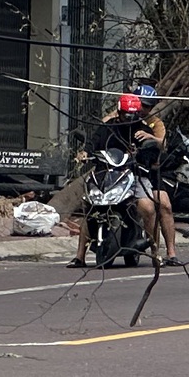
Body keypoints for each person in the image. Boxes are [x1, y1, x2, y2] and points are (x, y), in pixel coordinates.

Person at [74, 92, 166, 267]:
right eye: (126, 114)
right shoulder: (107, 127)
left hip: (134, 175)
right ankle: (80, 256)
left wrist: (149, 145)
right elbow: (92, 143)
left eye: (133, 114)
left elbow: (155, 151)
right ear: (119, 111)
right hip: (106, 174)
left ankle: (155, 252)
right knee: (89, 207)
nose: (129, 118)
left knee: (148, 208)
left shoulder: (143, 129)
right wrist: (85, 153)